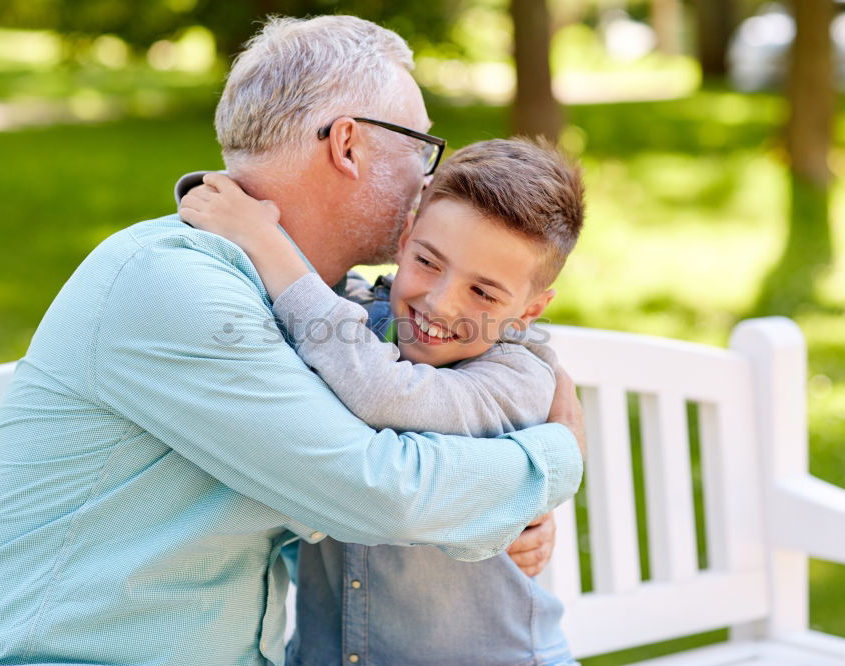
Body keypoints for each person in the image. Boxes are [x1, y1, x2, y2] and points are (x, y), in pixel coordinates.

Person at [0, 16, 585, 666]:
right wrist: (550, 461)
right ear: (350, 146)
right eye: (420, 146)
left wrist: (490, 510)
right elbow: (377, 494)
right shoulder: (177, 286)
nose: (424, 178)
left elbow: (359, 488)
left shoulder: (310, 303)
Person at [179, 137, 584, 665]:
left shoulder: (520, 379)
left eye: (483, 293)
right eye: (428, 261)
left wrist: (263, 240)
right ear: (406, 236)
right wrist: (236, 209)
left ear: (530, 311)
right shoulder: (356, 313)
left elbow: (381, 391)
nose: (439, 302)